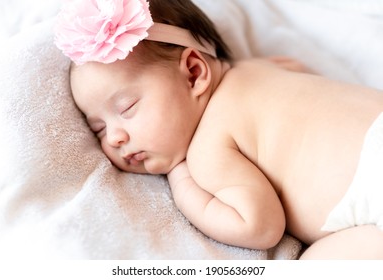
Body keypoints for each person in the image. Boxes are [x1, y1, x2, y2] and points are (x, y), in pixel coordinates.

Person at [55, 0, 383, 259]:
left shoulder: (208, 147)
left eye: (127, 108)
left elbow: (259, 226)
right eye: (98, 129)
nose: (114, 137)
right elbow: (296, 69)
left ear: (194, 73)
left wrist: (181, 179)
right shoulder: (259, 67)